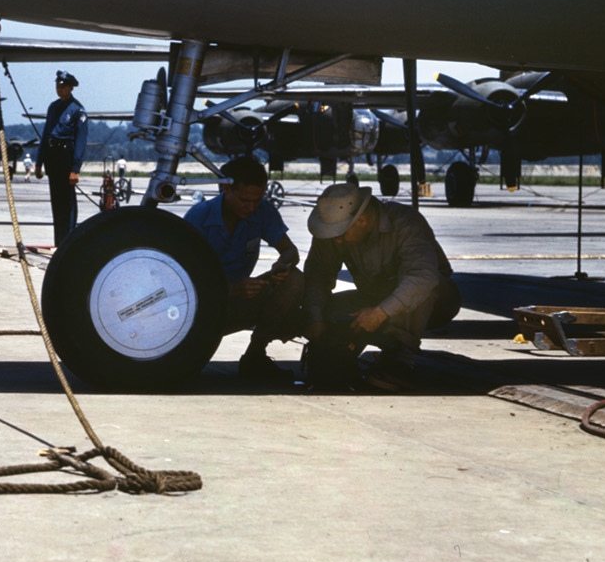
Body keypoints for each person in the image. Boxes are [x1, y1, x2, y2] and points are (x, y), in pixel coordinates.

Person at [301, 181, 461, 392]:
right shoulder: (337, 233)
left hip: (433, 302)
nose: (336, 242)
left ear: (363, 221)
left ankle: (401, 361)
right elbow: (318, 276)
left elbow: (423, 275)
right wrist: (317, 318)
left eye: (340, 235)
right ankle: (341, 356)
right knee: (331, 313)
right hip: (374, 298)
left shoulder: (404, 222)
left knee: (422, 285)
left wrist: (380, 313)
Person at [182, 156, 304, 385]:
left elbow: (291, 251)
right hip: (201, 310)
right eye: (244, 200)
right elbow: (182, 284)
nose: (251, 207)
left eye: (256, 201)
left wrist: (283, 265)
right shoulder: (199, 218)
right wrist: (230, 290)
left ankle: (255, 355)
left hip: (239, 303)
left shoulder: (262, 211)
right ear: (226, 188)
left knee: (294, 281)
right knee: (184, 373)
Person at [35, 70, 87, 247]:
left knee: (68, 203)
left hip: (66, 157)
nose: (60, 89)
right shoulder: (53, 107)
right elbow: (45, 134)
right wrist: (39, 162)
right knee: (56, 202)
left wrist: (75, 168)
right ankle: (59, 241)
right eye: (58, 86)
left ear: (71, 88)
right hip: (52, 157)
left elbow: (80, 141)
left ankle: (69, 241)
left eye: (63, 86)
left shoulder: (77, 110)